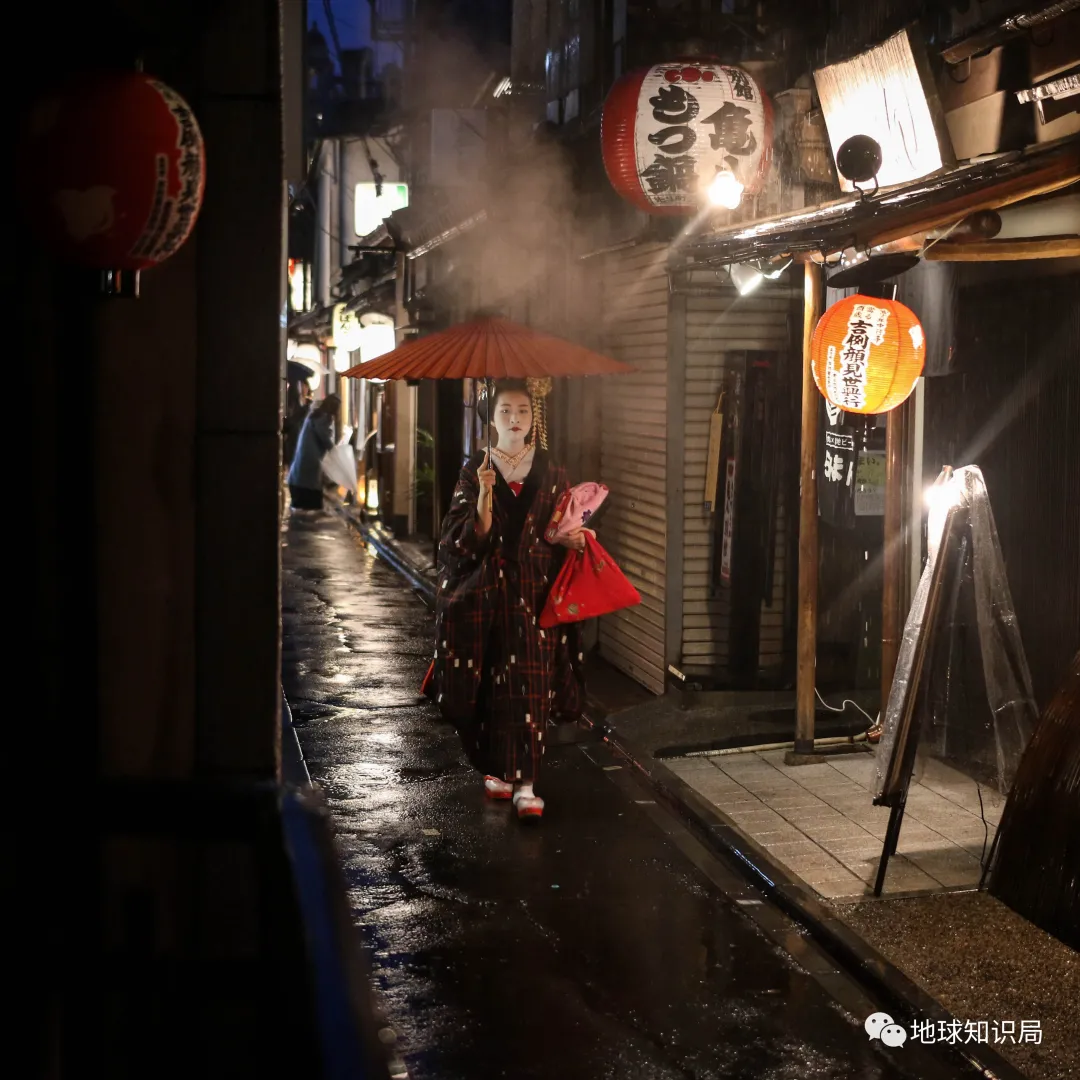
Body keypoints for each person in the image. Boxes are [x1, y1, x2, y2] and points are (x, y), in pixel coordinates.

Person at [426, 378, 589, 821]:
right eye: (505, 411)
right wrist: (483, 495)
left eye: (522, 411)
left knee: (531, 683)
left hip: (535, 590)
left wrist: (573, 539)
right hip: (486, 594)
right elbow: (458, 540)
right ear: (491, 418)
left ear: (533, 417)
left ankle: (527, 783)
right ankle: (498, 770)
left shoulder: (552, 470)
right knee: (490, 682)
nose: (514, 419)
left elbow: (562, 528)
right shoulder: (475, 468)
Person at [287, 393, 340, 511]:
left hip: (298, 478)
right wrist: (339, 456)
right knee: (311, 508)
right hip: (307, 479)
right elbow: (326, 441)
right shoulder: (322, 419)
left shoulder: (315, 415)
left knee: (300, 510)